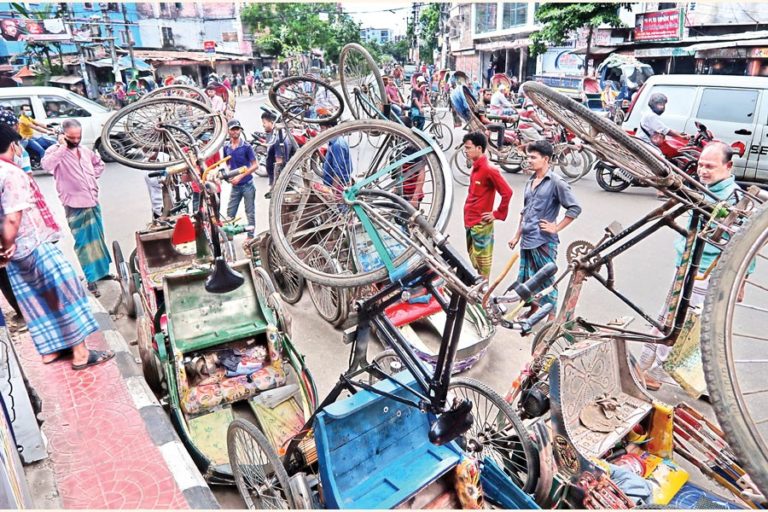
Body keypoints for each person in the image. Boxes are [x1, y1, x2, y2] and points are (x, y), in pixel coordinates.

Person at [0, 123, 114, 370]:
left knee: (35, 298)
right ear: (12, 145)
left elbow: (98, 165)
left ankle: (51, 350)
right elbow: (12, 217)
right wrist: (6, 244)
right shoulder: (12, 173)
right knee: (67, 291)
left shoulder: (84, 152)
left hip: (14, 251)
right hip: (32, 243)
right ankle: (81, 354)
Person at [637, 142, 749, 390]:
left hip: (705, 272)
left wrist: (741, 281)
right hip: (686, 266)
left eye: (710, 166)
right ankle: (643, 365)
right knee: (666, 318)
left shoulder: (734, 199)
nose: (703, 171)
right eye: (700, 165)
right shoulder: (704, 189)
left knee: (680, 325)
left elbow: (745, 245)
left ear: (728, 166)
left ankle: (657, 373)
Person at [508, 140, 581, 320]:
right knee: (528, 280)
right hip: (527, 239)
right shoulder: (531, 181)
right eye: (528, 157)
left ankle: (551, 316)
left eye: (533, 157)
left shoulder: (557, 182)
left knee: (546, 280)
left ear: (546, 159)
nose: (529, 161)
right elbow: (525, 211)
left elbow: (575, 208)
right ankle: (534, 309)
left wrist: (556, 227)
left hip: (543, 241)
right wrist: (517, 235)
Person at [41, 119, 112, 297]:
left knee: (98, 238)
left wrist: (89, 178)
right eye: (71, 137)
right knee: (83, 243)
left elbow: (99, 164)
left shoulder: (85, 151)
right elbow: (47, 165)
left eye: (78, 137)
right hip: (74, 205)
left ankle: (102, 273)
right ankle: (91, 279)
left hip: (92, 200)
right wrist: (62, 147)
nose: (75, 140)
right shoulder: (55, 152)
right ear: (63, 135)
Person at [462, 131, 513, 279]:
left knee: (483, 265)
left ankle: (483, 294)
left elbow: (507, 193)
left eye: (468, 148)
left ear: (479, 148)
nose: (466, 151)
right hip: (470, 221)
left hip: (481, 224)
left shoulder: (489, 170)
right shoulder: (476, 168)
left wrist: (497, 213)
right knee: (474, 260)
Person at [223, 119, 258, 238]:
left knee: (250, 213)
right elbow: (227, 164)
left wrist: (240, 176)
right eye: (233, 129)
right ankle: (229, 235)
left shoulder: (246, 147)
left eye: (237, 129)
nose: (235, 132)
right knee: (230, 212)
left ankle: (250, 238)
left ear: (240, 130)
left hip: (247, 184)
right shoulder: (226, 147)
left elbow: (255, 165)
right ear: (228, 131)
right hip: (235, 187)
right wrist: (228, 175)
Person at [263, 110, 295, 199]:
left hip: (280, 183)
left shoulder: (279, 139)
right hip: (286, 179)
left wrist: (274, 187)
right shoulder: (284, 136)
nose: (263, 125)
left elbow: (278, 163)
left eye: (264, 122)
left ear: (272, 122)